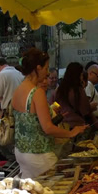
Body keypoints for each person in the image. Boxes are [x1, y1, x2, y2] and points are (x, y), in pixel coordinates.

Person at [12, 48, 87, 178]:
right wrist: (71, 133)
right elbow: (47, 128)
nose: (47, 72)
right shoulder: (37, 92)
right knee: (54, 192)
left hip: (21, 152)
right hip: (39, 154)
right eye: (46, 68)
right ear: (38, 67)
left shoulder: (18, 90)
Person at [56, 62, 98, 128]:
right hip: (76, 125)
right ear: (78, 75)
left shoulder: (59, 90)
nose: (82, 77)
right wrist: (91, 107)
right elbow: (85, 110)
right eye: (81, 75)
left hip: (62, 124)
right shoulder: (78, 90)